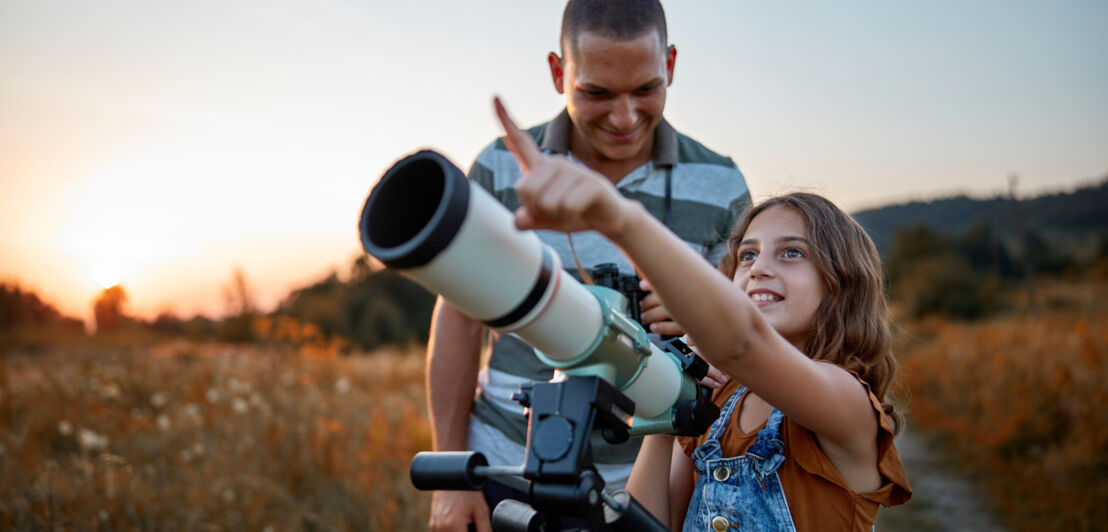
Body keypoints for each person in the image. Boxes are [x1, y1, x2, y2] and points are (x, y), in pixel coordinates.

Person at [494, 97, 912, 531]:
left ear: (841, 283)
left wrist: (618, 219)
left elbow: (742, 343)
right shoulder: (718, 403)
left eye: (791, 252)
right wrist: (669, 403)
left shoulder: (845, 401)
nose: (759, 268)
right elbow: (650, 524)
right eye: (747, 256)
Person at [426, 1, 751, 530]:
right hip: (507, 465)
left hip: (658, 482)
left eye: (646, 88)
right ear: (559, 73)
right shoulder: (499, 166)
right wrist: (452, 479)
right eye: (596, 93)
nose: (624, 118)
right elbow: (458, 319)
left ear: (670, 64)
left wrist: (697, 313)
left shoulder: (723, 183)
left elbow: (751, 339)